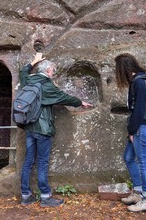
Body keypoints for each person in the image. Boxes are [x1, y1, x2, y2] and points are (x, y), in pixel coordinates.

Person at [19, 52, 93, 207]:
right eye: (52, 71)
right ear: (47, 71)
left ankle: (25, 195)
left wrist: (34, 61)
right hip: (43, 129)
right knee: (42, 162)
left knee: (28, 161)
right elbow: (63, 97)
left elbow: (23, 72)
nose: (53, 74)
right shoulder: (47, 85)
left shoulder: (28, 80)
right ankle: (45, 197)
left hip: (29, 127)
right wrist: (81, 102)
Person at [114, 53, 146, 213]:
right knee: (128, 158)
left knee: (144, 162)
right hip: (140, 127)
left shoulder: (139, 82)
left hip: (143, 128)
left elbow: (139, 110)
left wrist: (132, 131)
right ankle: (138, 192)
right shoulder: (140, 80)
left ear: (123, 69)